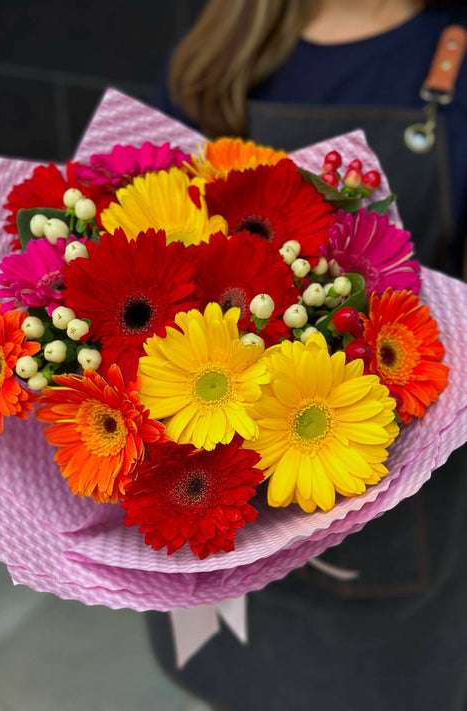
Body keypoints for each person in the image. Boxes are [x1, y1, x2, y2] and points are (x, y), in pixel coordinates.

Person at [147, 2, 467, 709]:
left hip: (392, 532)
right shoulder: (216, 50)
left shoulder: (452, 60)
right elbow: (140, 234)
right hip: (214, 502)